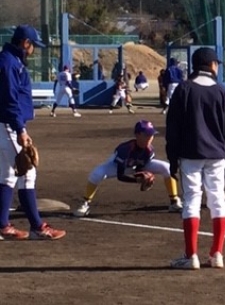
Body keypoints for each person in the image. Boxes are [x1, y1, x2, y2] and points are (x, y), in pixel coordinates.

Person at [166, 47, 225, 270]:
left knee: (192, 200)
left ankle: (191, 256)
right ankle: (217, 254)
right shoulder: (222, 92)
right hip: (217, 155)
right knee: (217, 200)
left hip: (190, 154)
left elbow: (173, 129)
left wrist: (172, 158)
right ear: (212, 65)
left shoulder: (184, 89)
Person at [0, 25, 66, 240]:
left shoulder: (11, 60)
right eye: (32, 45)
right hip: (8, 124)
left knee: (7, 175)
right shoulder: (9, 63)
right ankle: (38, 228)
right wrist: (20, 129)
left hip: (8, 123)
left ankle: (3, 226)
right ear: (24, 42)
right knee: (27, 172)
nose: (33, 50)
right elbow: (9, 100)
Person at [73, 120, 182, 217]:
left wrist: (143, 174)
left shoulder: (149, 150)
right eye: (146, 135)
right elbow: (120, 176)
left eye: (152, 135)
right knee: (97, 173)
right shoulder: (125, 149)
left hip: (133, 165)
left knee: (166, 167)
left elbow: (141, 166)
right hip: (116, 167)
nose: (150, 138)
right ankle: (84, 203)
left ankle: (174, 202)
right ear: (137, 135)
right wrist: (137, 180)